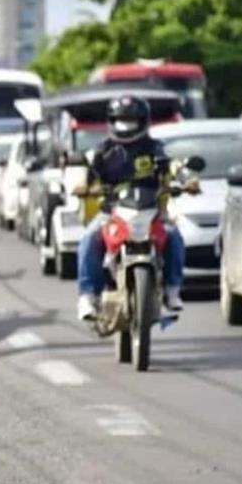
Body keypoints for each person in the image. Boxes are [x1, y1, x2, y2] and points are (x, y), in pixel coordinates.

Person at [74, 95, 194, 322]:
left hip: (151, 211)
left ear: (143, 121)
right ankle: (88, 296)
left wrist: (188, 180)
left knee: (174, 236)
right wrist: (82, 185)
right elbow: (86, 172)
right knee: (89, 238)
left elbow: (174, 165)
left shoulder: (154, 148)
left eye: (131, 120)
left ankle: (172, 290)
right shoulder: (102, 150)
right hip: (112, 211)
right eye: (121, 120)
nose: (125, 125)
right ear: (111, 121)